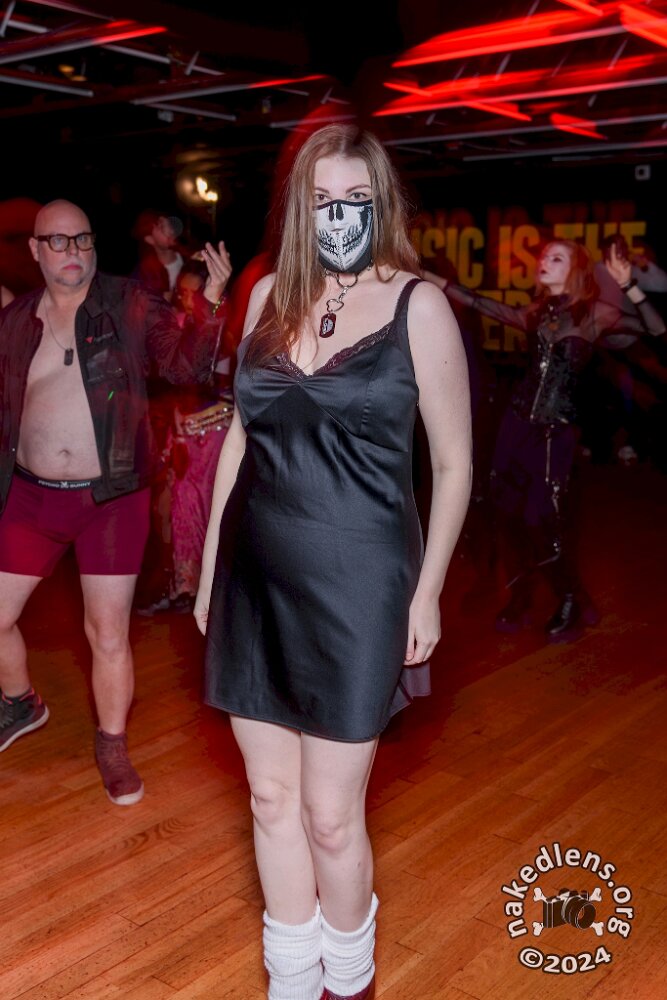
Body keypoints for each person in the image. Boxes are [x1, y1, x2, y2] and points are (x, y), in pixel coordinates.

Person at [195, 125, 471, 1000]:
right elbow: (241, 438)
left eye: (356, 200)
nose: (339, 216)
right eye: (322, 201)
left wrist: (426, 593)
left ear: (380, 203)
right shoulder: (267, 296)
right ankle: (290, 978)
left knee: (328, 815)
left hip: (359, 585)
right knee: (269, 800)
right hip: (254, 575)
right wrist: (208, 570)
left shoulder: (416, 306)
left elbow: (453, 464)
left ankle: (348, 981)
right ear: (297, 208)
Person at [0, 199, 231, 806]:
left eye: (82, 239)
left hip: (111, 499)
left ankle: (112, 742)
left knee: (106, 632)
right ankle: (20, 702)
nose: (72, 251)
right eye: (58, 241)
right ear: (36, 250)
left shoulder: (129, 302)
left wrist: (210, 303)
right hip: (30, 498)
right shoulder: (16, 320)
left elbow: (184, 365)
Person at [425, 239, 665, 642]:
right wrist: (427, 277)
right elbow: (481, 302)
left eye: (557, 258)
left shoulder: (594, 314)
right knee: (505, 513)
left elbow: (656, 329)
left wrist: (628, 286)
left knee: (544, 517)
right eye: (543, 257)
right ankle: (520, 595)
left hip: (557, 429)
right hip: (515, 425)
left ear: (575, 270)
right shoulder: (536, 312)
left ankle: (571, 597)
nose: (544, 262)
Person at [137, 261, 234, 614]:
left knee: (207, 508)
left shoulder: (223, 323)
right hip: (182, 429)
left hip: (215, 430)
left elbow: (210, 377)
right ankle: (182, 585)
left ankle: (211, 589)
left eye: (195, 292)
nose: (188, 298)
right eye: (183, 292)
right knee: (177, 506)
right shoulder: (174, 324)